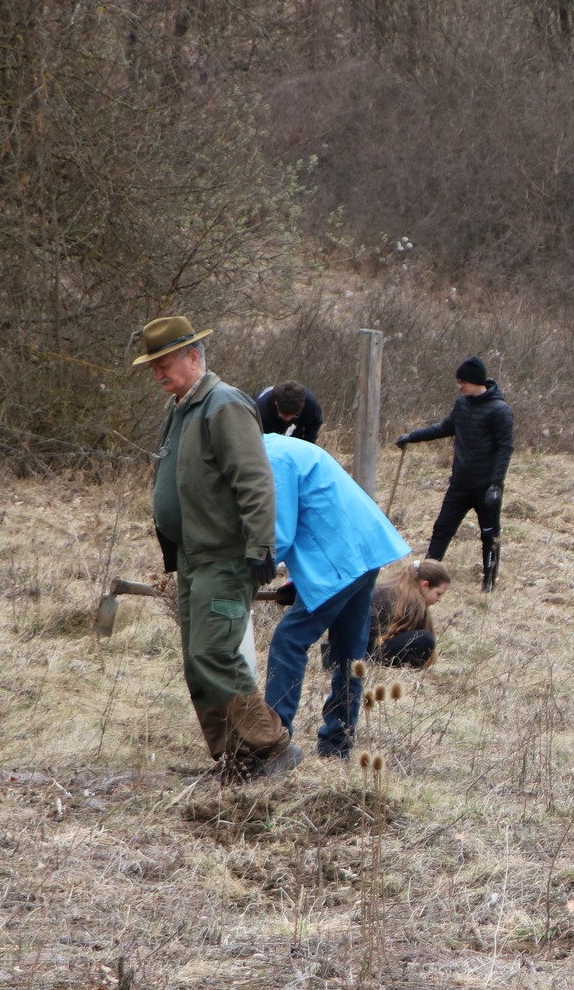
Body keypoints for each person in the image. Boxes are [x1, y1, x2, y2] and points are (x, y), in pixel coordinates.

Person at [131, 315, 296, 781]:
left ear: (194, 357)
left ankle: (271, 746)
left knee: (216, 653)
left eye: (165, 364)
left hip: (225, 557)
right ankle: (234, 757)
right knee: (197, 660)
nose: (158, 374)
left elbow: (255, 479)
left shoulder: (223, 404)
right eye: (153, 367)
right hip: (193, 558)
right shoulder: (181, 407)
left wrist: (261, 545)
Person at [260, 435, 410, 759]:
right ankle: (338, 743)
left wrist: (248, 574)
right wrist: (296, 580)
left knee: (290, 640)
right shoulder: (285, 448)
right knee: (349, 655)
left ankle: (273, 740)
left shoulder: (273, 459)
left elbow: (279, 533)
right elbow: (314, 513)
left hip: (341, 559)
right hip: (365, 549)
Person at [396, 357, 515, 591]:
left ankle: (488, 583)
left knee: (490, 536)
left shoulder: (500, 411)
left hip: (486, 487)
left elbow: (505, 448)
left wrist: (496, 485)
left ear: (476, 382)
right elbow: (445, 427)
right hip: (460, 484)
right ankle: (426, 577)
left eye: (464, 382)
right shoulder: (462, 404)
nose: (460, 386)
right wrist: (412, 436)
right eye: (458, 382)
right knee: (441, 529)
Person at [370, 560, 451, 669]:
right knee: (424, 639)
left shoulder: (395, 588)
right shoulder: (412, 602)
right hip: (365, 651)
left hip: (353, 645)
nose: (440, 599)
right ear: (425, 585)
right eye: (438, 593)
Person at [255, 381, 323, 443]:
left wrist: (307, 443)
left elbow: (314, 424)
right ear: (276, 403)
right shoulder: (260, 411)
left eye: (293, 415)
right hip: (266, 433)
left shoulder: (311, 405)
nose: (288, 419)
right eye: (283, 415)